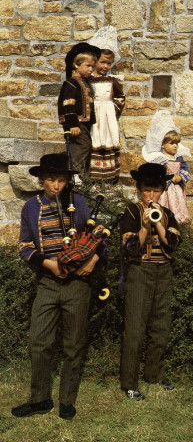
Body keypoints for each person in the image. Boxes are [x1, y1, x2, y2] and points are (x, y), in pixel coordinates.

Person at [11, 153, 108, 420]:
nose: (56, 185)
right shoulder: (31, 208)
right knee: (38, 341)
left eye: (61, 180)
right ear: (42, 180)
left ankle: (67, 399)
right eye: (51, 180)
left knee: (73, 344)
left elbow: (100, 235)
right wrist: (49, 265)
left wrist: (94, 260)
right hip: (48, 283)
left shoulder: (78, 203)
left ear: (67, 181)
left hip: (78, 284)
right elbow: (25, 247)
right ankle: (40, 398)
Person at [120, 163, 181, 400]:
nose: (151, 196)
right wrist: (145, 227)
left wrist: (157, 223)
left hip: (163, 271)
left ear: (162, 190)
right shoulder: (132, 212)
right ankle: (130, 383)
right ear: (139, 189)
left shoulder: (168, 214)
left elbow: (172, 244)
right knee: (135, 327)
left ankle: (153, 375)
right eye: (147, 190)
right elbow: (131, 248)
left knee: (160, 326)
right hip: (140, 271)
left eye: (156, 190)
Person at [87, 26, 126, 182]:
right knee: (91, 143)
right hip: (92, 119)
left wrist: (110, 110)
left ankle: (108, 180)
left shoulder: (112, 81)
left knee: (107, 145)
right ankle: (92, 180)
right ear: (95, 61)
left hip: (106, 120)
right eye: (103, 62)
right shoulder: (88, 80)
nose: (105, 66)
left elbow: (120, 97)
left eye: (109, 64)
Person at [58, 42, 101, 180]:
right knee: (80, 147)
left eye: (92, 67)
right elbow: (68, 104)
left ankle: (84, 177)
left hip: (84, 124)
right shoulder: (71, 83)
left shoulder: (84, 83)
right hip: (76, 124)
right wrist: (72, 124)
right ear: (76, 64)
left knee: (86, 147)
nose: (91, 70)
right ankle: (76, 177)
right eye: (88, 66)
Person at [142, 110, 191, 224]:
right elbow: (156, 173)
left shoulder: (179, 159)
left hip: (177, 189)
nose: (175, 146)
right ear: (162, 144)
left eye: (176, 143)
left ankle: (177, 223)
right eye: (171, 143)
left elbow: (186, 171)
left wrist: (180, 177)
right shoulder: (160, 158)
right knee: (164, 206)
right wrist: (169, 178)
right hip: (165, 189)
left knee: (178, 206)